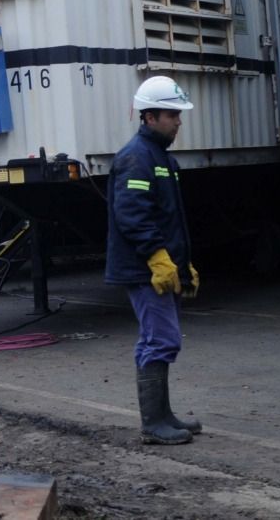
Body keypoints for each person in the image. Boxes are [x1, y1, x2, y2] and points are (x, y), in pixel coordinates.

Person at [105, 76, 201, 445]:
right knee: (162, 340)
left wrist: (182, 262)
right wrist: (158, 258)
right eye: (172, 115)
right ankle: (153, 424)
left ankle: (162, 415)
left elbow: (168, 218)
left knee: (155, 339)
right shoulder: (136, 158)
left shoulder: (161, 158)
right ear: (150, 117)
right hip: (144, 269)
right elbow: (132, 215)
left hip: (158, 267)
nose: (178, 121)